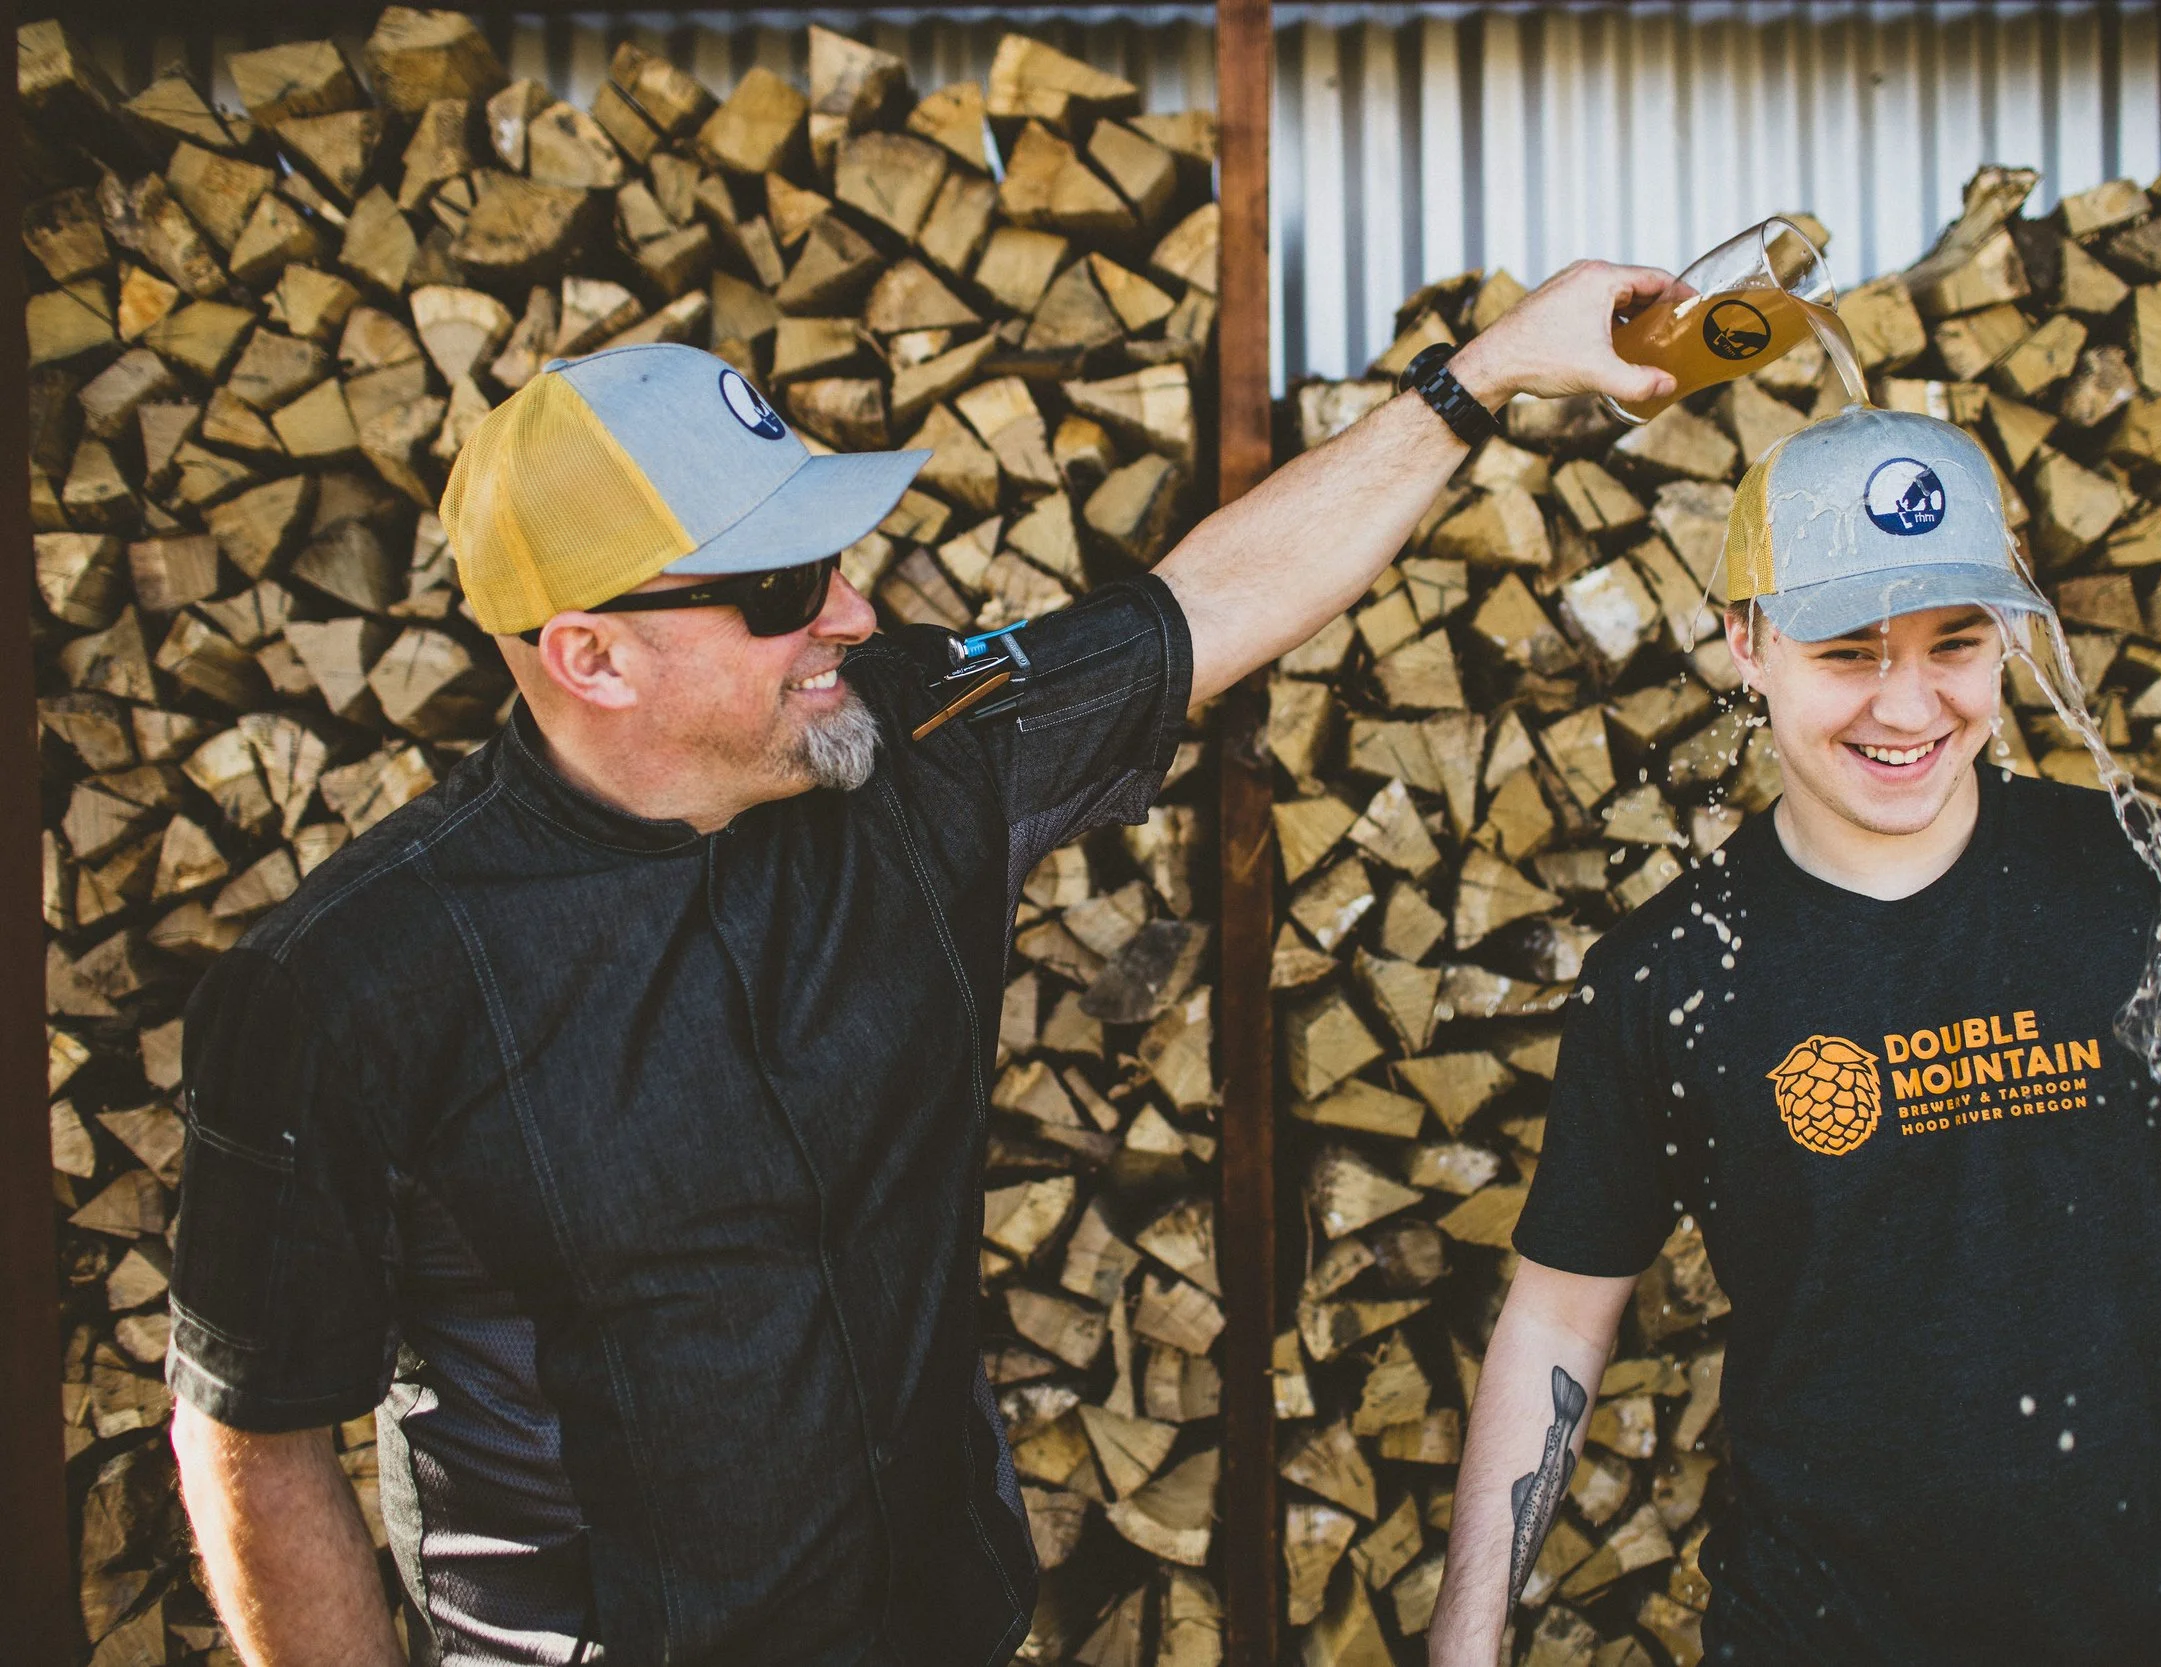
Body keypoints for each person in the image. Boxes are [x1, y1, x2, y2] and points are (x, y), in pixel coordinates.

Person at [163, 264, 1685, 1666]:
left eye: (831, 555)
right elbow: (254, 1429)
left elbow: (1205, 607)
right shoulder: (346, 989)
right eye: (778, 590)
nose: (855, 610)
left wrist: (1485, 375)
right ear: (593, 658)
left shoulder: (910, 744)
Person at [1429, 405, 2161, 1666]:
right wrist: (1465, 1643)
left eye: (1956, 641)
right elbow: (1559, 1317)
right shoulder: (1670, 977)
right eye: (1848, 650)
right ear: (1747, 641)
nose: (1910, 702)